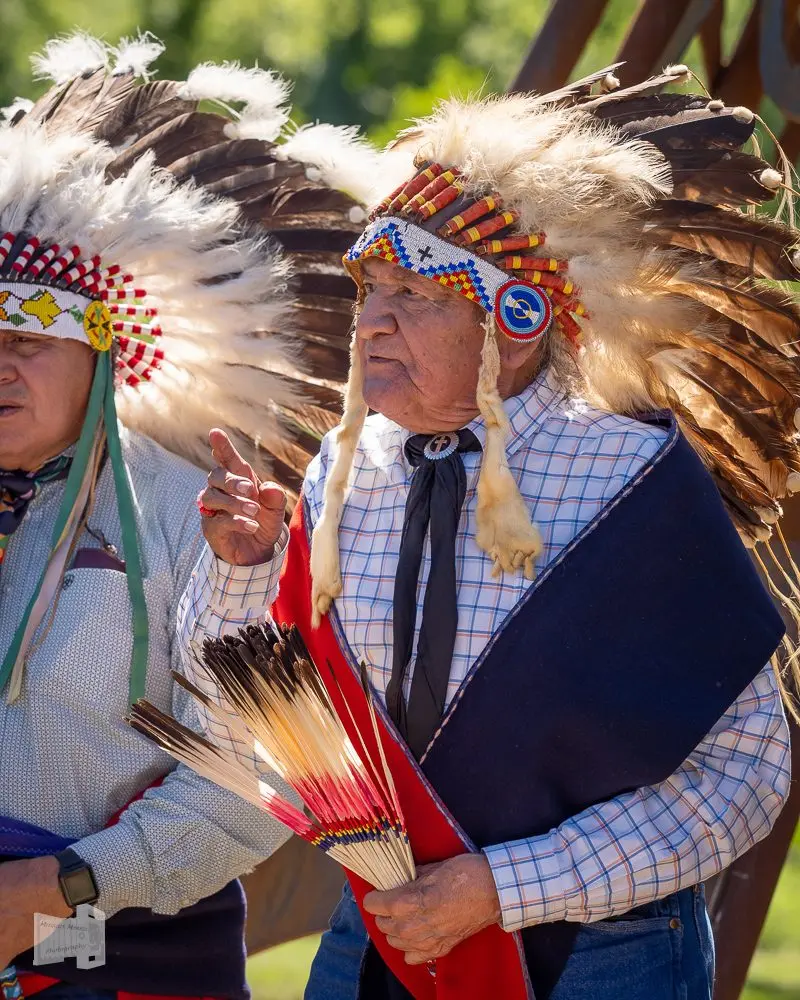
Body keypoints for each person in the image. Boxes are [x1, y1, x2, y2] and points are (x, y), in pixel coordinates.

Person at [183, 67, 799, 1000]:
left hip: (600, 949)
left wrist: (504, 888)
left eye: (416, 294)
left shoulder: (631, 482)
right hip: (381, 926)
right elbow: (239, 723)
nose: (371, 322)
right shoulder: (348, 473)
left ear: (516, 321)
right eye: (369, 289)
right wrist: (243, 571)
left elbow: (744, 774)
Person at [0, 33, 371, 1000]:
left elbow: (264, 771)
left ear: (105, 353)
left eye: (28, 340)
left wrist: (58, 888)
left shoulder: (198, 519)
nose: (0, 367)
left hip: (116, 948)